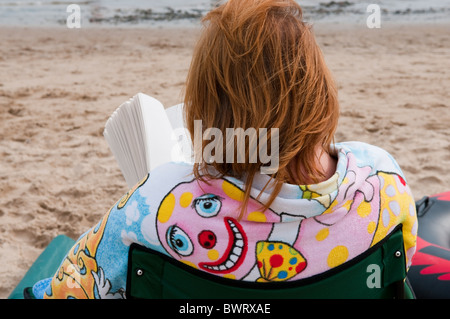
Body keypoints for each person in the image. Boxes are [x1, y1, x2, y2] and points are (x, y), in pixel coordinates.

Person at [33, 0, 417, 299]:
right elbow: (403, 262)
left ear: (206, 104)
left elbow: (66, 290)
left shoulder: (149, 209)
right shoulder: (383, 182)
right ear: (318, 89)